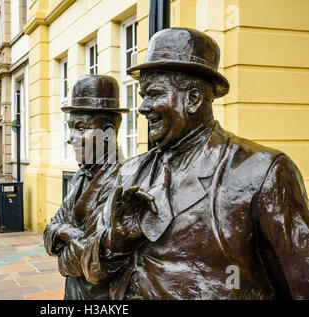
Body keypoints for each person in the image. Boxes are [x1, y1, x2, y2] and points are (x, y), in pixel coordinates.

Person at [81, 28, 309, 299]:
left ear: (193, 99)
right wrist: (114, 243)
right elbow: (90, 271)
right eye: (143, 96)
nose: (142, 107)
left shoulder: (261, 171)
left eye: (153, 94)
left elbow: (301, 281)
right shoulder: (130, 173)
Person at [44, 75, 127, 300]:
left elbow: (88, 264)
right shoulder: (80, 176)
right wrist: (67, 231)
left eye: (81, 128)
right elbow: (49, 231)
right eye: (71, 128)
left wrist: (63, 235)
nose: (71, 138)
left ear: (108, 133)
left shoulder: (124, 182)